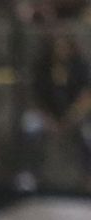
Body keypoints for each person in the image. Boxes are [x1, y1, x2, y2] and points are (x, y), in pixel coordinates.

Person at [18, 31, 91, 191]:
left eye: (64, 46)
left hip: (74, 116)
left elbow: (85, 97)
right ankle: (28, 175)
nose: (61, 50)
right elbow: (35, 98)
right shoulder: (43, 67)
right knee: (29, 124)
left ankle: (88, 176)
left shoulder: (80, 66)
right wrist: (48, 120)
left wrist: (70, 119)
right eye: (57, 47)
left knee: (89, 131)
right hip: (48, 116)